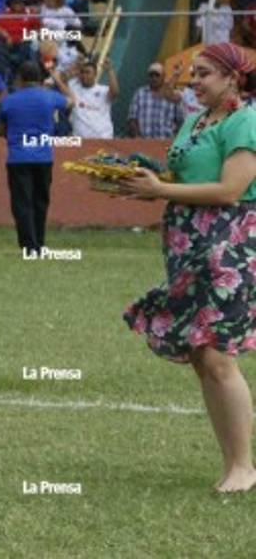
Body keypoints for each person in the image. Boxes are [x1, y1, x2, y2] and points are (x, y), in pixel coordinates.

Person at [117, 42, 256, 492]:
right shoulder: (196, 120)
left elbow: (230, 190)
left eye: (204, 74)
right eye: (192, 73)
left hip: (229, 243)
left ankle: (243, 467)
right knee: (201, 355)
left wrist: (161, 191)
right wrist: (147, 176)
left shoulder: (246, 121)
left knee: (216, 353)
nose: (193, 81)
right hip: (187, 242)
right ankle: (233, 464)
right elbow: (189, 176)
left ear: (232, 78)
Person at [0, 60, 71, 255]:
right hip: (43, 157)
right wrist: (57, 79)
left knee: (22, 203)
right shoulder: (49, 97)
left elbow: (2, 128)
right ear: (39, 79)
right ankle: (39, 242)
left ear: (20, 79)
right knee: (40, 201)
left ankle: (28, 246)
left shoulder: (9, 100)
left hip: (18, 157)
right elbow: (71, 100)